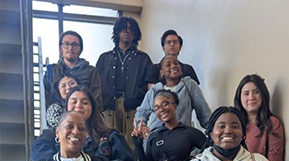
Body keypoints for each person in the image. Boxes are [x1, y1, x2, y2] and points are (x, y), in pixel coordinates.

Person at [32, 86, 134, 161]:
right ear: (66, 107)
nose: (79, 105)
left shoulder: (111, 136)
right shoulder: (48, 138)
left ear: (93, 108)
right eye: (74, 102)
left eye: (85, 102)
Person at [96, 16, 155, 150]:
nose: (127, 32)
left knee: (132, 143)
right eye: (123, 29)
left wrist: (136, 100)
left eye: (131, 29)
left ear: (135, 34)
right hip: (109, 106)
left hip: (133, 106)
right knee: (109, 142)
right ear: (117, 32)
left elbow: (149, 87)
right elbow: (96, 84)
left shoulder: (143, 58)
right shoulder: (105, 58)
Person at [135, 55, 210, 134]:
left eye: (176, 63)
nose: (173, 66)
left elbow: (203, 112)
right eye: (168, 65)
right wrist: (142, 126)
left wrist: (212, 130)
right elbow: (141, 112)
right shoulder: (154, 90)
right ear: (162, 72)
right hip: (157, 137)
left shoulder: (189, 85)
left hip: (182, 137)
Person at [234, 75, 285, 161]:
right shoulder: (233, 126)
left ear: (263, 95)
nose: (251, 97)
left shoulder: (272, 124)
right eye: (246, 93)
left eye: (256, 92)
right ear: (239, 98)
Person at [43, 30, 102, 111]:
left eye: (74, 44)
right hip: (58, 119)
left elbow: (96, 99)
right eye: (66, 44)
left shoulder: (91, 71)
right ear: (61, 48)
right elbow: (46, 98)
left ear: (80, 48)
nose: (70, 48)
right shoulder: (52, 71)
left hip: (84, 117)